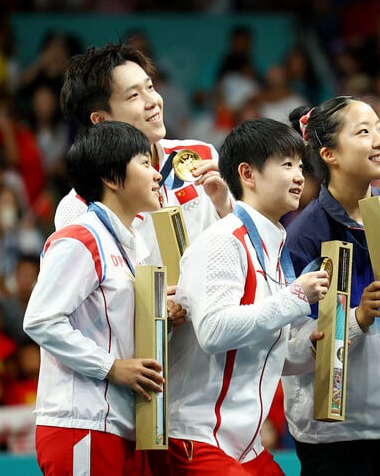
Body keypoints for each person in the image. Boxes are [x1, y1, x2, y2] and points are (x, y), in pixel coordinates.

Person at [282, 96, 380, 475]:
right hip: (337, 441)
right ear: (330, 154)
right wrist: (357, 317)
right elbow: (287, 352)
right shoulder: (302, 238)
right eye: (364, 131)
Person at [167, 118, 329, 475]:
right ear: (248, 174)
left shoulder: (274, 247)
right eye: (286, 165)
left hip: (245, 447)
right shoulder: (223, 239)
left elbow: (265, 352)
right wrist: (295, 298)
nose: (299, 176)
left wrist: (311, 349)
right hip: (197, 439)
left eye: (301, 166)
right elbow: (213, 332)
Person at [23, 121, 183, 474]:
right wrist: (112, 367)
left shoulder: (132, 245)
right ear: (112, 177)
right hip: (81, 422)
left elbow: (117, 332)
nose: (156, 174)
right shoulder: (80, 238)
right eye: (144, 163)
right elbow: (40, 320)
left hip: (121, 422)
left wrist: (163, 320)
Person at [54, 43, 233, 267]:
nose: (153, 102)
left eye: (150, 87)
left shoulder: (200, 155)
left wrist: (226, 208)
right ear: (100, 120)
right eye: (134, 96)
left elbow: (243, 251)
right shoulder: (80, 205)